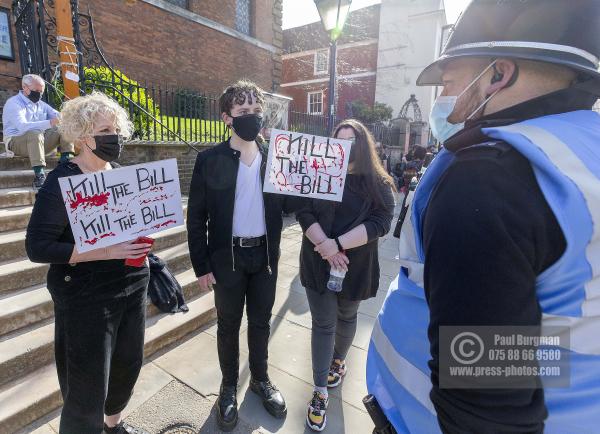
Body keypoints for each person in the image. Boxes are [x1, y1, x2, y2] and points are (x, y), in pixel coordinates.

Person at [366, 0, 600, 433]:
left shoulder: (488, 181)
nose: (443, 102)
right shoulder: (581, 151)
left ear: (497, 74)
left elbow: (485, 402)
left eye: (449, 83)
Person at [25, 91, 152, 434]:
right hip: (87, 296)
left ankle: (114, 424)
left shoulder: (119, 173)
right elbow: (37, 246)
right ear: (82, 137)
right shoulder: (61, 182)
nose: (115, 137)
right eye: (106, 129)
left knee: (127, 366)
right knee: (86, 386)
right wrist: (104, 251)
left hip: (132, 285)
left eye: (117, 129)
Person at [187, 80, 294, 431]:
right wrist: (201, 265)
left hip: (264, 257)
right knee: (228, 325)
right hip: (227, 258)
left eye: (255, 110)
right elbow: (196, 218)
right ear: (227, 118)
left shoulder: (278, 156)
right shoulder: (209, 159)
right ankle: (229, 386)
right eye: (243, 111)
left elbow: (291, 205)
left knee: (261, 322)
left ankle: (261, 379)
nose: (251, 117)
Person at [297, 119, 395, 432]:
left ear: (363, 145)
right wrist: (325, 246)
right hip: (317, 261)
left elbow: (382, 222)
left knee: (347, 316)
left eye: (352, 139)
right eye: (339, 139)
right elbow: (303, 210)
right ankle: (320, 391)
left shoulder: (377, 182)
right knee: (324, 324)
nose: (345, 145)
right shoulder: (319, 172)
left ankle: (339, 359)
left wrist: (337, 245)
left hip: (355, 266)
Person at [2, 74, 75, 189]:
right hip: (15, 142)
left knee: (63, 125)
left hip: (38, 142)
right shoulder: (13, 103)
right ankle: (39, 174)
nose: (39, 94)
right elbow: (22, 127)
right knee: (34, 132)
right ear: (25, 87)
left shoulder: (41, 105)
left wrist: (69, 116)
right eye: (36, 90)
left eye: (42, 91)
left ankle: (66, 163)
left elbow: (58, 116)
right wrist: (50, 122)